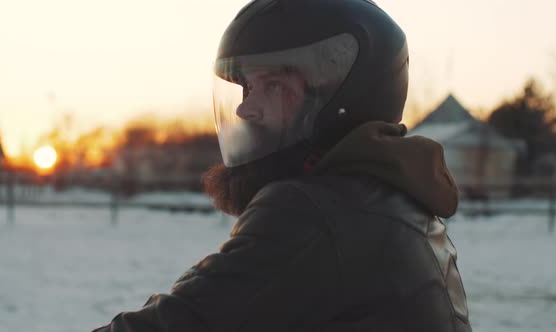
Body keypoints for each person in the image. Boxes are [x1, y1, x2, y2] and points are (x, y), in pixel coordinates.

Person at [93, 0, 472, 331]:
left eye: (273, 85)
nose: (244, 108)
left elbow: (182, 322)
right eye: (248, 87)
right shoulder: (392, 198)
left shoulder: (314, 212)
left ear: (341, 98)